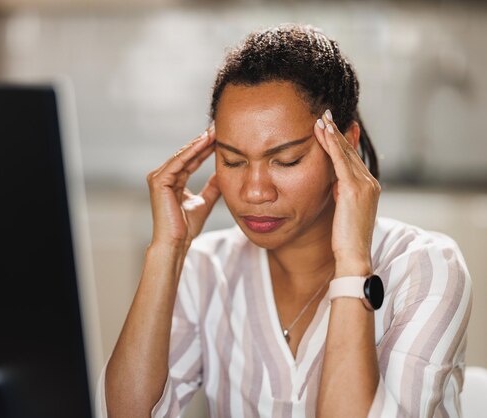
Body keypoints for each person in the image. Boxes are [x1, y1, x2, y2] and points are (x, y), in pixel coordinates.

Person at [97, 23, 472, 418]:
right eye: (233, 160)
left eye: (286, 160)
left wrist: (351, 262)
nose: (255, 191)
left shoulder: (424, 269)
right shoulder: (206, 270)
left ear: (345, 145)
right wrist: (167, 251)